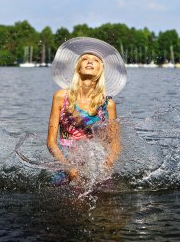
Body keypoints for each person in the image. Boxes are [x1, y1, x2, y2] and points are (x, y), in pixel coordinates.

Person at [47, 37, 127, 185]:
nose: (90, 61)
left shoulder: (108, 104)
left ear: (101, 70)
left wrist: (105, 166)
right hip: (67, 163)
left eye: (96, 60)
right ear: (78, 67)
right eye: (85, 59)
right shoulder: (60, 97)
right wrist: (69, 168)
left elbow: (115, 145)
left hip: (97, 166)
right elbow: (51, 143)